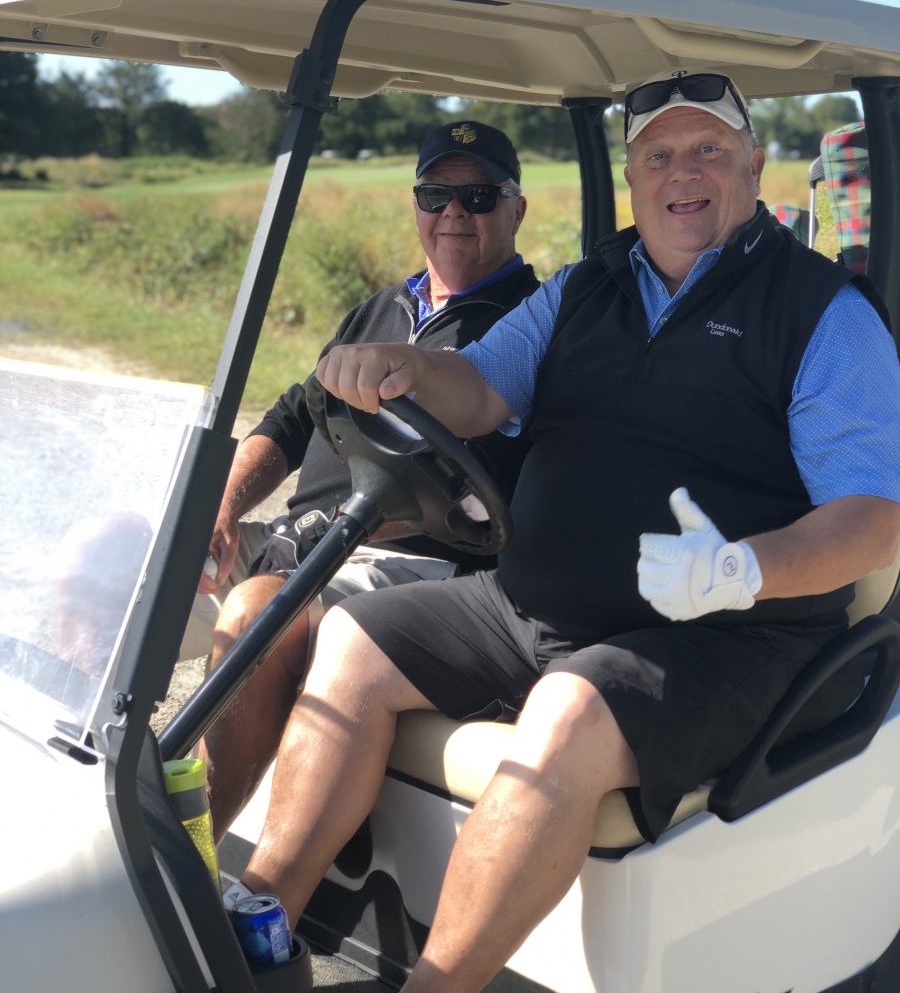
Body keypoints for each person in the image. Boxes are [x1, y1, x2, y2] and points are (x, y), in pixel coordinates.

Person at [224, 71, 900, 992]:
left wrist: (741, 568)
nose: (682, 173)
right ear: (633, 177)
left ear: (753, 163)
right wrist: (405, 368)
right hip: (530, 605)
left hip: (731, 632)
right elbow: (479, 389)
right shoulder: (588, 286)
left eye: (708, 150)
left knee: (568, 710)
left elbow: (872, 523)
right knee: (351, 642)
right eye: (658, 156)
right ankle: (257, 929)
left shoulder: (822, 312)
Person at [197, 120, 538, 838]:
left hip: (408, 566)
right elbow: (292, 419)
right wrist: (221, 508)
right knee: (119, 557)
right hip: (295, 544)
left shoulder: (527, 330)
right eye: (435, 194)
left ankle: (181, 861)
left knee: (259, 610)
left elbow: (504, 492)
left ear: (517, 209)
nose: (454, 212)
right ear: (416, 205)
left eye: (479, 196)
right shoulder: (382, 309)